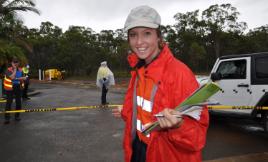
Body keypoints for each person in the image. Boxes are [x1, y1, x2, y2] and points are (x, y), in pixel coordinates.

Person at [112, 5, 209, 162]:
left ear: (158, 37)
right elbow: (144, 111)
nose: (139, 42)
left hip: (166, 155)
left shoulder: (181, 74)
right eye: (133, 35)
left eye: (147, 33)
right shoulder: (138, 70)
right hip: (137, 150)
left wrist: (178, 125)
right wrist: (127, 111)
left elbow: (197, 138)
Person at [3, 57, 26, 124]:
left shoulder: (21, 70)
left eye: (17, 62)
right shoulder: (8, 70)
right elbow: (12, 77)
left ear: (18, 63)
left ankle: (17, 116)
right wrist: (15, 70)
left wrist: (19, 78)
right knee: (9, 102)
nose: (15, 63)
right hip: (10, 88)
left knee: (18, 102)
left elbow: (24, 78)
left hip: (18, 87)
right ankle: (7, 118)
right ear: (12, 63)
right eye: (14, 62)